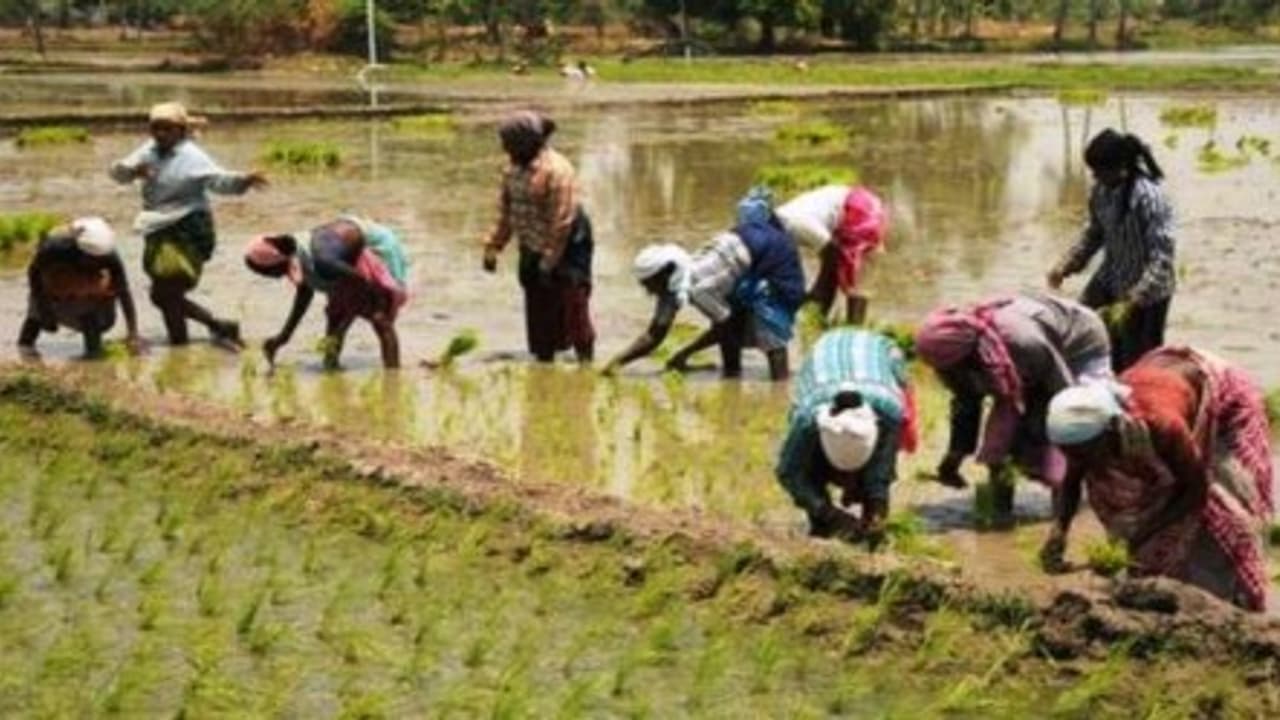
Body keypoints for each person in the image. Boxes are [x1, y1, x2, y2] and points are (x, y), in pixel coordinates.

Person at [1041, 347, 1273, 612]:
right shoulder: (1083, 434)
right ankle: (1164, 584)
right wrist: (1058, 532)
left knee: (1226, 508)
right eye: (1069, 453)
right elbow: (1071, 481)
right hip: (1161, 376)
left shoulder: (1161, 424)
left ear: (1111, 431)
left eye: (1084, 453)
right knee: (1133, 499)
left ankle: (1239, 601)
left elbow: (1196, 489)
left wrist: (1143, 536)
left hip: (1224, 398)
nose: (1078, 460)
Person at [915, 293, 1112, 521]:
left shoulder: (1023, 342)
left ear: (967, 358)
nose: (942, 375)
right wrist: (954, 458)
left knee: (1062, 429)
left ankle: (1061, 517)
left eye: (946, 369)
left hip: (1077, 343)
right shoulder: (960, 360)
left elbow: (1063, 393)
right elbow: (966, 403)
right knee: (1000, 445)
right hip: (1030, 357)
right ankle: (997, 512)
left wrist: (1056, 433)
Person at [109, 101, 267, 347]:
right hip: (156, 227)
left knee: (164, 292)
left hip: (188, 227)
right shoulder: (149, 151)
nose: (160, 134)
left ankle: (204, 332)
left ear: (181, 131)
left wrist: (243, 180)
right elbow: (118, 173)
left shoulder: (192, 156)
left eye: (167, 129)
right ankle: (192, 338)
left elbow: (218, 180)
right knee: (166, 295)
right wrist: (132, 171)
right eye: (156, 128)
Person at [605, 188, 806, 381]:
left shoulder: (698, 288)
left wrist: (686, 352)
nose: (648, 291)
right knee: (725, 314)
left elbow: (727, 327)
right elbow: (654, 335)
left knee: (768, 324)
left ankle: (780, 388)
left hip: (775, 256)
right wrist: (613, 366)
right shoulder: (674, 285)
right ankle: (732, 376)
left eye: (649, 284)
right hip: (747, 255)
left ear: (665, 274)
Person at [1047, 129, 1175, 372]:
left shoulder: (1149, 199)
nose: (1095, 176)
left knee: (1135, 360)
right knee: (1082, 329)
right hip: (1111, 278)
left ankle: (1134, 403)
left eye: (1100, 170)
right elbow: (1094, 233)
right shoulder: (1101, 191)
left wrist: (1135, 298)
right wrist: (1067, 264)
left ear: (1121, 167)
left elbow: (1162, 257)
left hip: (1146, 293)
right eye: (1093, 170)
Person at [775, 328, 918, 544]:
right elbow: (789, 473)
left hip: (877, 352)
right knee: (810, 477)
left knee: (874, 488)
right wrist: (828, 514)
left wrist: (876, 515)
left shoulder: (887, 415)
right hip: (824, 355)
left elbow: (881, 473)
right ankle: (821, 525)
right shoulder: (807, 421)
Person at [482, 111, 595, 364]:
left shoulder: (557, 170)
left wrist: (548, 262)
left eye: (509, 143)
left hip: (568, 246)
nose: (504, 148)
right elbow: (506, 212)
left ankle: (586, 367)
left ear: (527, 143)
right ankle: (544, 366)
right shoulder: (511, 170)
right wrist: (492, 247)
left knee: (573, 305)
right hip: (531, 241)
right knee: (538, 308)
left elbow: (562, 221)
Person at [244, 216, 408, 370]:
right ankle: (332, 369)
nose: (272, 278)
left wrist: (350, 314)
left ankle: (392, 382)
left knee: (380, 319)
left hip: (374, 246)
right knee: (335, 318)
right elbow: (304, 295)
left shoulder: (323, 260)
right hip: (344, 260)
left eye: (266, 273)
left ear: (275, 262)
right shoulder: (296, 253)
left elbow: (362, 281)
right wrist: (284, 336)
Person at [18, 217, 143, 358]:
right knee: (37, 309)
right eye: (91, 259)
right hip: (56, 281)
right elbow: (33, 273)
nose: (95, 263)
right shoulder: (56, 248)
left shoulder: (109, 256)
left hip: (88, 296)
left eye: (99, 260)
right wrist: (43, 307)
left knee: (92, 306)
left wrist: (133, 333)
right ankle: (25, 347)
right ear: (80, 250)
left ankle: (93, 352)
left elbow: (124, 292)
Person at [775, 184, 888, 324]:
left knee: (856, 275)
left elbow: (832, 251)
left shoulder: (795, 223)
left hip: (859, 210)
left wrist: (816, 290)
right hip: (847, 207)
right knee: (833, 273)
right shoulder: (780, 225)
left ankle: (854, 328)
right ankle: (829, 323)